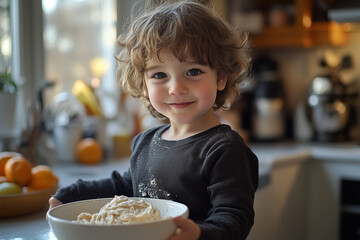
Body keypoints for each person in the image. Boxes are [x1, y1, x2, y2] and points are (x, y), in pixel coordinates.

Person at [48, 1, 258, 239]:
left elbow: (235, 219)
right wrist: (70, 194)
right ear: (144, 85)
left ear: (221, 77)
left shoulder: (226, 150)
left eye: (193, 72)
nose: (176, 88)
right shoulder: (146, 142)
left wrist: (199, 233)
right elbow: (125, 187)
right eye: (159, 75)